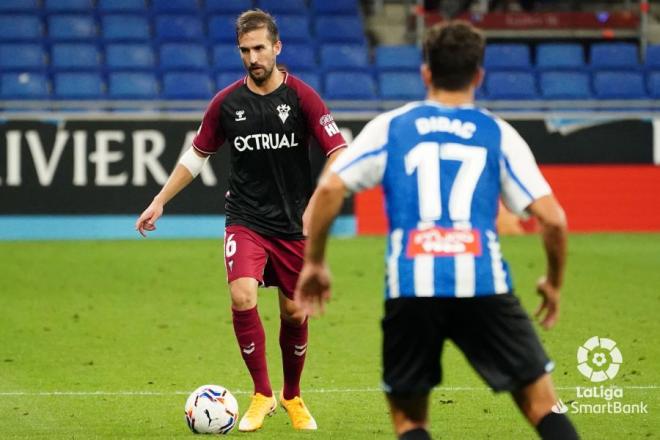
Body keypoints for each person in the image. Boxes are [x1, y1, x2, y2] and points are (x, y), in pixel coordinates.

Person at [296, 21, 579, 440]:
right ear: (479, 76)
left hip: (412, 288)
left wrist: (315, 262)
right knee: (542, 406)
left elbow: (331, 186)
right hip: (484, 286)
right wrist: (553, 283)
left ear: (426, 74)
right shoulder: (497, 132)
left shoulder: (393, 126)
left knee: (410, 421)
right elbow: (554, 218)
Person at [135, 9, 346, 432]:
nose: (253, 58)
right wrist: (159, 200)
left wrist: (320, 199)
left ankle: (292, 395)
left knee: (292, 312)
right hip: (245, 219)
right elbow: (197, 157)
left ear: (276, 48)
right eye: (246, 50)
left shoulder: (303, 98)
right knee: (243, 296)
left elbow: (338, 151)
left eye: (260, 48)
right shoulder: (227, 104)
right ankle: (262, 394)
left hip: (293, 224)